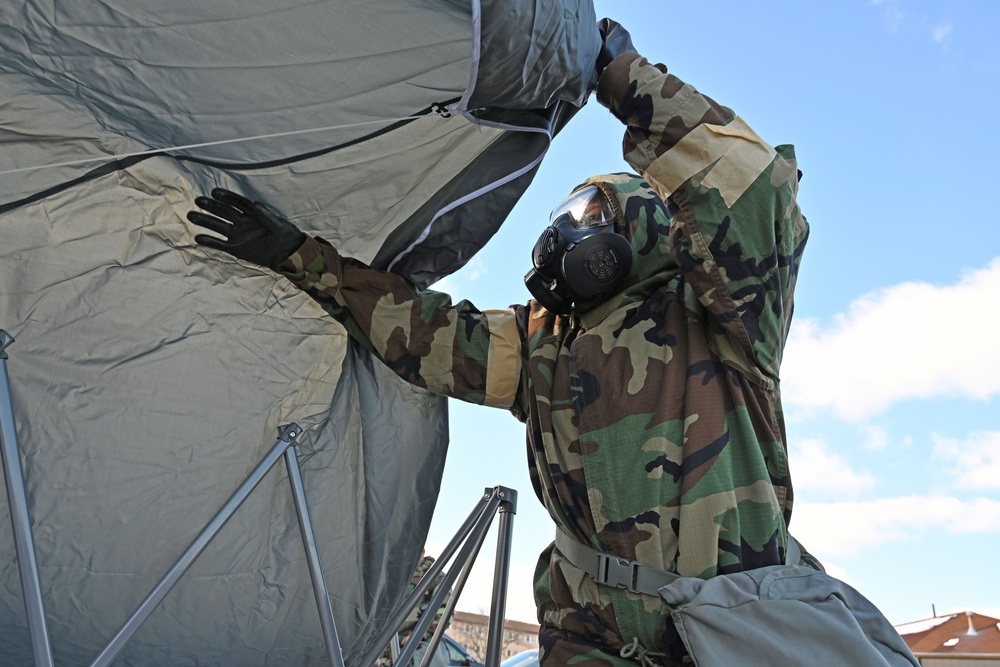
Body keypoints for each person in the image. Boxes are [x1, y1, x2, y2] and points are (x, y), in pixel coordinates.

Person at [187, 20, 822, 666]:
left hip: (733, 632)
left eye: (588, 214)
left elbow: (753, 186)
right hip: (592, 639)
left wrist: (623, 77)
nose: (565, 233)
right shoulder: (541, 342)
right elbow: (424, 335)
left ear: (642, 229)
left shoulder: (727, 315)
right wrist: (300, 256)